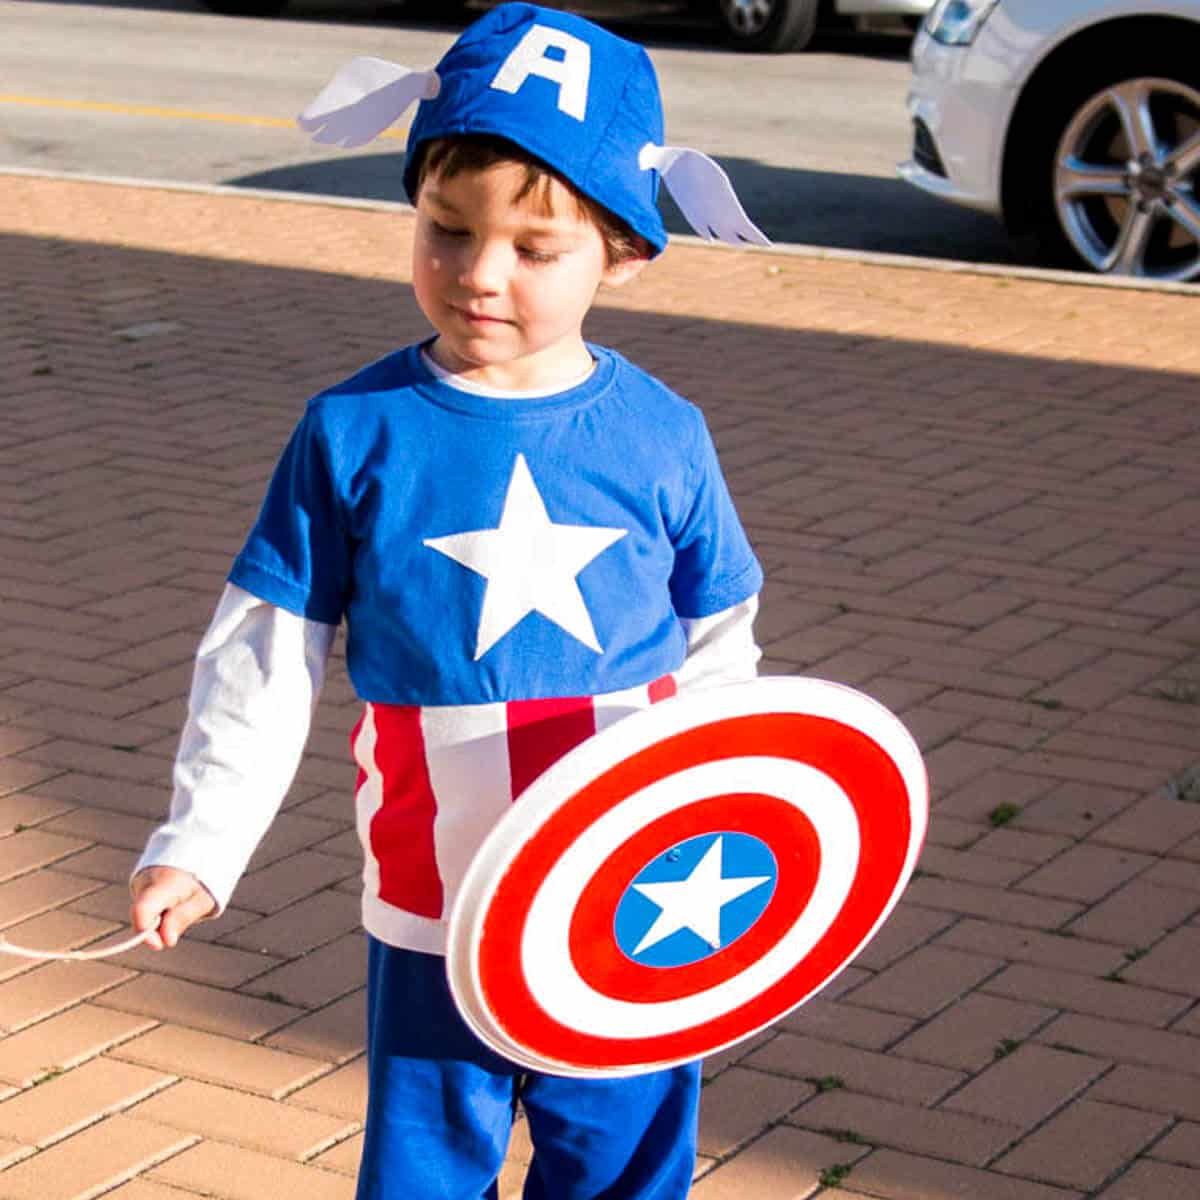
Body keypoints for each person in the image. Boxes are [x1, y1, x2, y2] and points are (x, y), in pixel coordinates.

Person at [130, 5, 766, 1197]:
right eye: (446, 228)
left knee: (624, 1166)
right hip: (438, 900)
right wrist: (202, 844)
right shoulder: (352, 430)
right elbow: (265, 654)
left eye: (535, 248)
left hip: (629, 897)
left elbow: (720, 648)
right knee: (424, 1168)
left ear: (623, 249)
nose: (477, 274)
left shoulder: (661, 434)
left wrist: (717, 821)